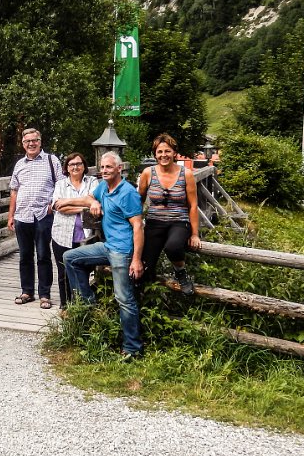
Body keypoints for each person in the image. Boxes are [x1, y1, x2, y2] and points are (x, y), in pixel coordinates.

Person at [63, 151, 144, 358]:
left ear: (119, 169)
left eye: (108, 167)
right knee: (70, 258)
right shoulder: (105, 188)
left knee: (124, 298)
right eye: (101, 167)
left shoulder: (128, 193)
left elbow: (138, 227)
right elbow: (91, 196)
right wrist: (93, 202)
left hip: (122, 251)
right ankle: (90, 305)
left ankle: (132, 348)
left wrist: (136, 259)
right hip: (108, 247)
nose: (104, 170)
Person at [137, 133, 201, 295]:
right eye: (159, 152)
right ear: (155, 154)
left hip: (179, 221)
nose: (163, 155)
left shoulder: (185, 174)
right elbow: (139, 200)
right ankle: (152, 302)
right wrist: (137, 224)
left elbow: (193, 206)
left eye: (167, 151)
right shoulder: (148, 173)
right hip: (154, 222)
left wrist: (195, 234)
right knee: (144, 267)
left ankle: (181, 272)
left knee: (173, 246)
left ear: (174, 153)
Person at [7, 127, 63, 309]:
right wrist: (11, 215)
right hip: (22, 215)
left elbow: (61, 186)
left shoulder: (51, 160)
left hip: (42, 215)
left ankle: (44, 294)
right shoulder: (19, 164)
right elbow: (14, 191)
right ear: (23, 144)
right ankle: (27, 291)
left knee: (43, 255)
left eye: (34, 140)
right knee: (25, 256)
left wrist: (51, 206)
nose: (31, 144)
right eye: (27, 141)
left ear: (40, 141)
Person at [50, 152, 99, 311]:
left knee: (84, 270)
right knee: (63, 271)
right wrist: (85, 205)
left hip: (87, 235)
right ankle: (65, 306)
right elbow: (57, 207)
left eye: (79, 164)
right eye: (72, 165)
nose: (75, 167)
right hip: (62, 234)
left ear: (84, 166)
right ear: (67, 168)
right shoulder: (60, 184)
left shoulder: (92, 182)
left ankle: (81, 306)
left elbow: (95, 204)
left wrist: (68, 203)